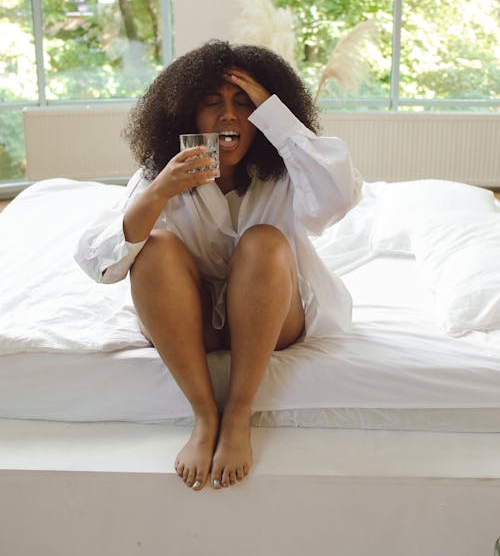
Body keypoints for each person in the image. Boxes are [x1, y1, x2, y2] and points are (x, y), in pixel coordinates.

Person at [75, 40, 362, 492]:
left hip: (273, 316)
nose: (228, 115)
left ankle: (239, 414)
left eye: (244, 104)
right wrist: (157, 193)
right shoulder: (161, 173)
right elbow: (102, 266)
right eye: (212, 103)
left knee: (265, 243)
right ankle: (206, 415)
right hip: (194, 322)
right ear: (187, 115)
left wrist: (276, 118)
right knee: (155, 247)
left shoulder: (288, 172)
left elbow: (337, 198)